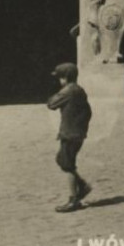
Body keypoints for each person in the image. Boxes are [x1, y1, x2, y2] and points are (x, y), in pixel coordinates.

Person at [47, 62, 92, 213]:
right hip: (78, 132)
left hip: (69, 133)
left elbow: (51, 104)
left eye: (59, 77)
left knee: (67, 164)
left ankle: (74, 200)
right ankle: (82, 185)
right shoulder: (79, 90)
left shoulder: (67, 91)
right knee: (62, 159)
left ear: (65, 78)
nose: (59, 81)